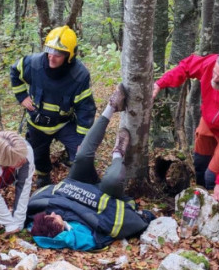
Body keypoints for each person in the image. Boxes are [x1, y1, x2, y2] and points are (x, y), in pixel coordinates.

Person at [26, 85, 152, 250]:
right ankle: (118, 152)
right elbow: (117, 224)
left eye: (51, 214)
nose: (54, 213)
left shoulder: (40, 222)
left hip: (78, 183)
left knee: (83, 155)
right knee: (112, 180)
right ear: (59, 230)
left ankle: (111, 107)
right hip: (105, 194)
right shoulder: (84, 237)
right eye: (53, 218)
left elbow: (40, 201)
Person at [153, 50, 219, 202]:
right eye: (214, 73)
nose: (214, 78)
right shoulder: (212, 63)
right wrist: (160, 83)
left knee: (213, 177)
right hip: (209, 122)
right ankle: (198, 199)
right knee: (200, 164)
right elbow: (186, 67)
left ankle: (212, 208)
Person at [10, 26, 96, 188]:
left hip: (64, 123)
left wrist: (82, 139)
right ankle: (43, 178)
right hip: (37, 122)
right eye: (49, 50)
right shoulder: (34, 64)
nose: (52, 57)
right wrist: (22, 96)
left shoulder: (79, 75)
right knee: (38, 153)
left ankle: (79, 181)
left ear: (69, 55)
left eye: (58, 54)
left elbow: (86, 108)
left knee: (81, 153)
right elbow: (15, 71)